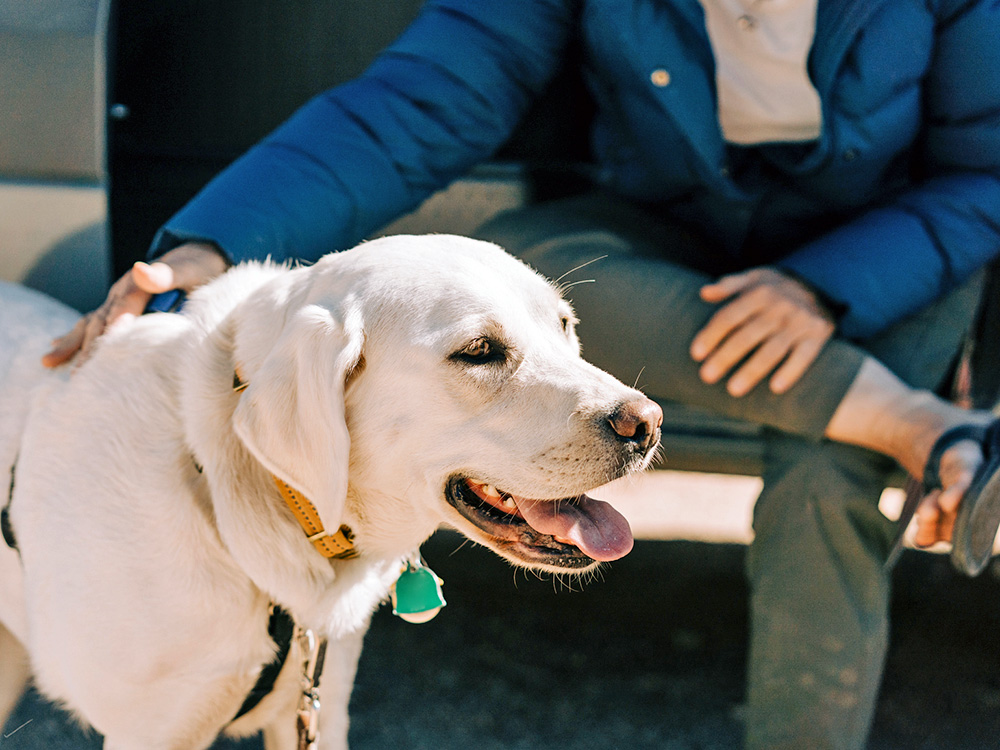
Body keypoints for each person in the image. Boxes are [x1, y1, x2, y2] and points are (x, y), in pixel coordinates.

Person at [43, 1, 1000, 747]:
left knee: (825, 479)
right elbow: (415, 104)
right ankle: (929, 428)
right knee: (508, 275)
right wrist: (213, 247)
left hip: (884, 251)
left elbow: (984, 167)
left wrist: (823, 288)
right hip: (672, 231)